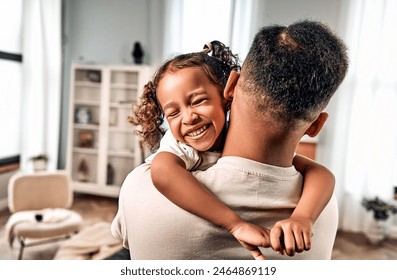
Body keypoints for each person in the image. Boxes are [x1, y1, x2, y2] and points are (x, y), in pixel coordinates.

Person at [111, 19, 348, 260]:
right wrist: (300, 217)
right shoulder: (324, 209)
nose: (189, 118)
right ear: (316, 125)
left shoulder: (140, 188)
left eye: (198, 101)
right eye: (173, 113)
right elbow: (320, 173)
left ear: (229, 87)